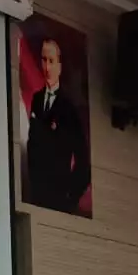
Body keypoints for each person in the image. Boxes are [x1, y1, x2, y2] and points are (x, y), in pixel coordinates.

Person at [24, 37, 91, 215]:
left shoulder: (69, 108)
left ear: (60, 66)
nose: (47, 67)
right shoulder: (37, 99)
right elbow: (32, 142)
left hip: (59, 200)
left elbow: (83, 161)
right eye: (44, 60)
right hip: (37, 195)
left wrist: (70, 197)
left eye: (51, 61)